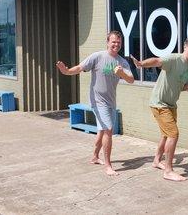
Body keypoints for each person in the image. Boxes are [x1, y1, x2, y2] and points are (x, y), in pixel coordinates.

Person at [56, 31, 134, 176]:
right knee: (109, 130)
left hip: (111, 101)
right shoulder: (97, 57)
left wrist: (121, 73)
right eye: (113, 41)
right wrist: (66, 72)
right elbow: (80, 67)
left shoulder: (121, 62)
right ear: (107, 42)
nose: (116, 44)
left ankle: (94, 157)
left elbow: (131, 79)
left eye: (118, 42)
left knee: (102, 131)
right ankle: (108, 166)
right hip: (97, 101)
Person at [131, 37, 188, 182]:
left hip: (171, 105)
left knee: (165, 134)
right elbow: (157, 61)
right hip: (159, 103)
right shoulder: (174, 59)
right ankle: (168, 171)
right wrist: (140, 64)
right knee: (173, 134)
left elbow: (181, 87)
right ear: (185, 47)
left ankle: (157, 161)